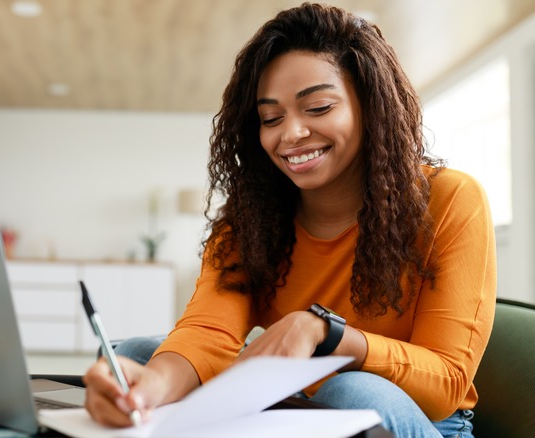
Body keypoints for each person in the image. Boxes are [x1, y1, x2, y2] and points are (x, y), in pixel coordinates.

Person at [83, 3, 496, 437]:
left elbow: (447, 383)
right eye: (271, 118)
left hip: (418, 418)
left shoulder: (450, 199)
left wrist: (325, 332)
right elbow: (208, 330)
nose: (291, 134)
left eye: (317, 107)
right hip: (297, 409)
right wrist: (151, 388)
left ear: (370, 107)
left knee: (353, 391)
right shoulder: (250, 218)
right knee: (139, 354)